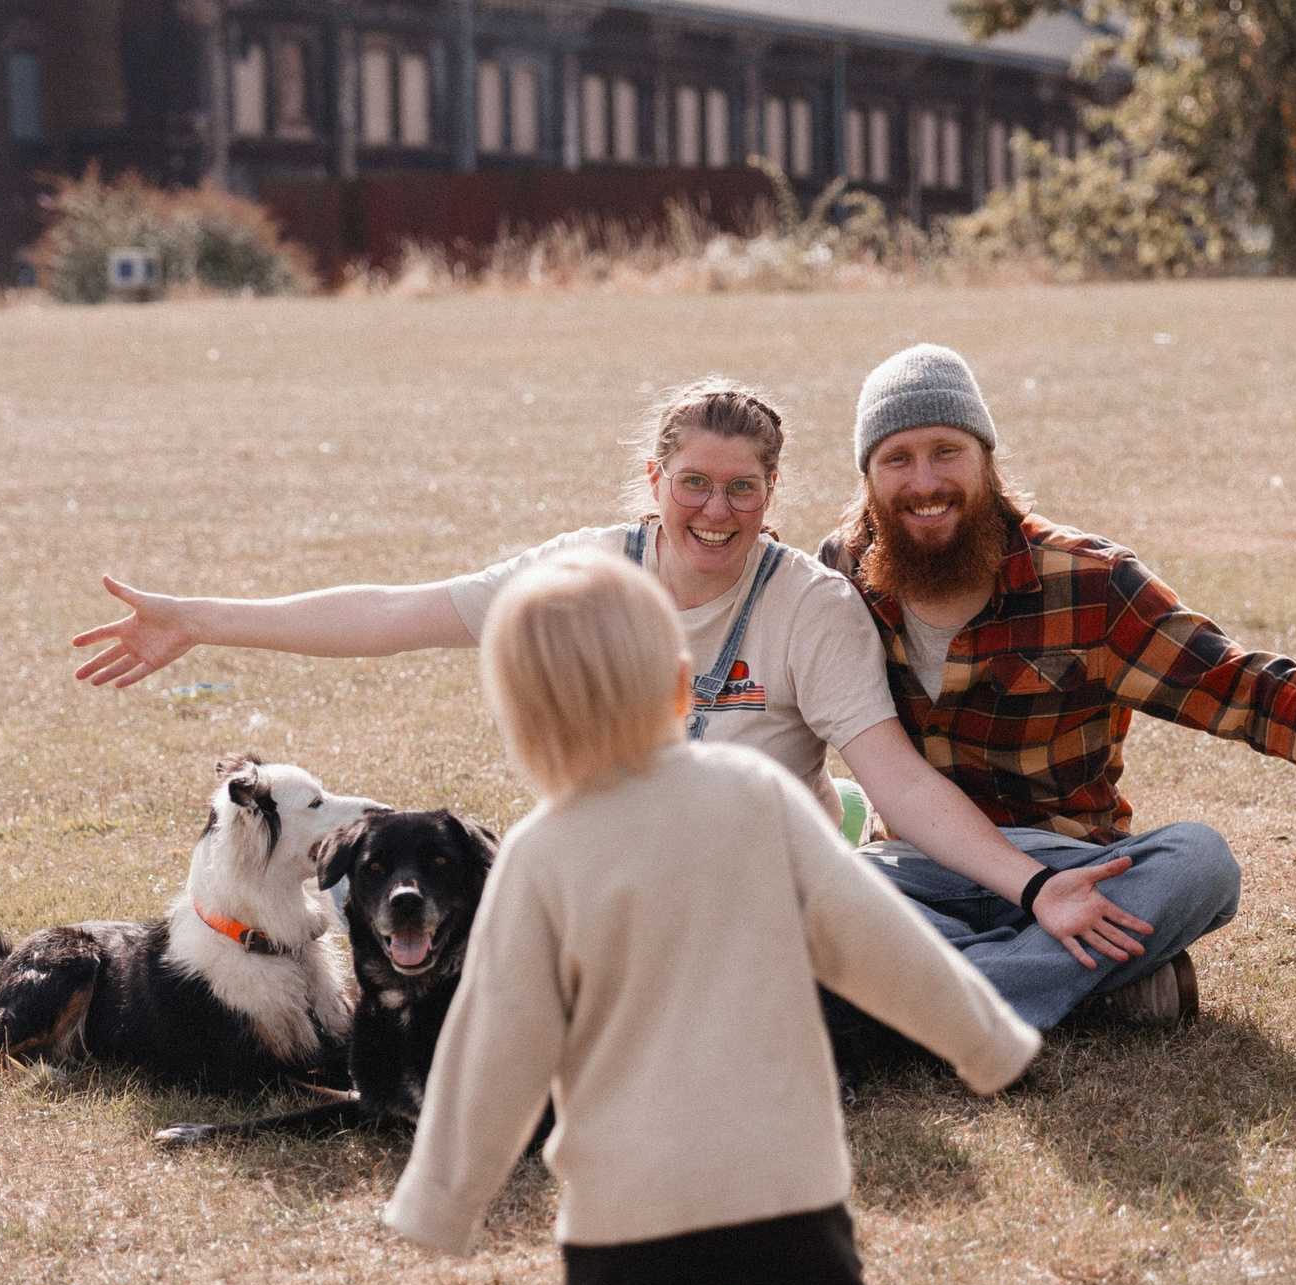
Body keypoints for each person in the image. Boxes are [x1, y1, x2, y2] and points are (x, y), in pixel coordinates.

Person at [384, 548, 1040, 1285]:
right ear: (681, 682)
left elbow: (496, 1040)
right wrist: (986, 1041)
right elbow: (874, 937)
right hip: (784, 1171)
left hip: (629, 1200)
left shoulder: (542, 855)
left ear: (522, 721)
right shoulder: (755, 793)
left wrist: (444, 1198)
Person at [71, 378, 1156, 1014]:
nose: (718, 511)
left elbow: (898, 783)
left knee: (1190, 866)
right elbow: (393, 614)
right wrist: (199, 619)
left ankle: (941, 971)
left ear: (772, 491)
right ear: (656, 481)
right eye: (696, 484)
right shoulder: (586, 573)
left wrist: (1034, 888)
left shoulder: (811, 606)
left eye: (742, 488)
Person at [820, 343, 1296, 1034]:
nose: (924, 482)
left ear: (986, 458)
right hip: (916, 873)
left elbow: (1235, 684)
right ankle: (1081, 985)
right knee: (801, 896)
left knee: (1200, 862)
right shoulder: (839, 576)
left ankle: (932, 1003)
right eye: (897, 459)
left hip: (1072, 865)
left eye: (946, 451)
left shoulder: (1089, 582)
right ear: (868, 477)